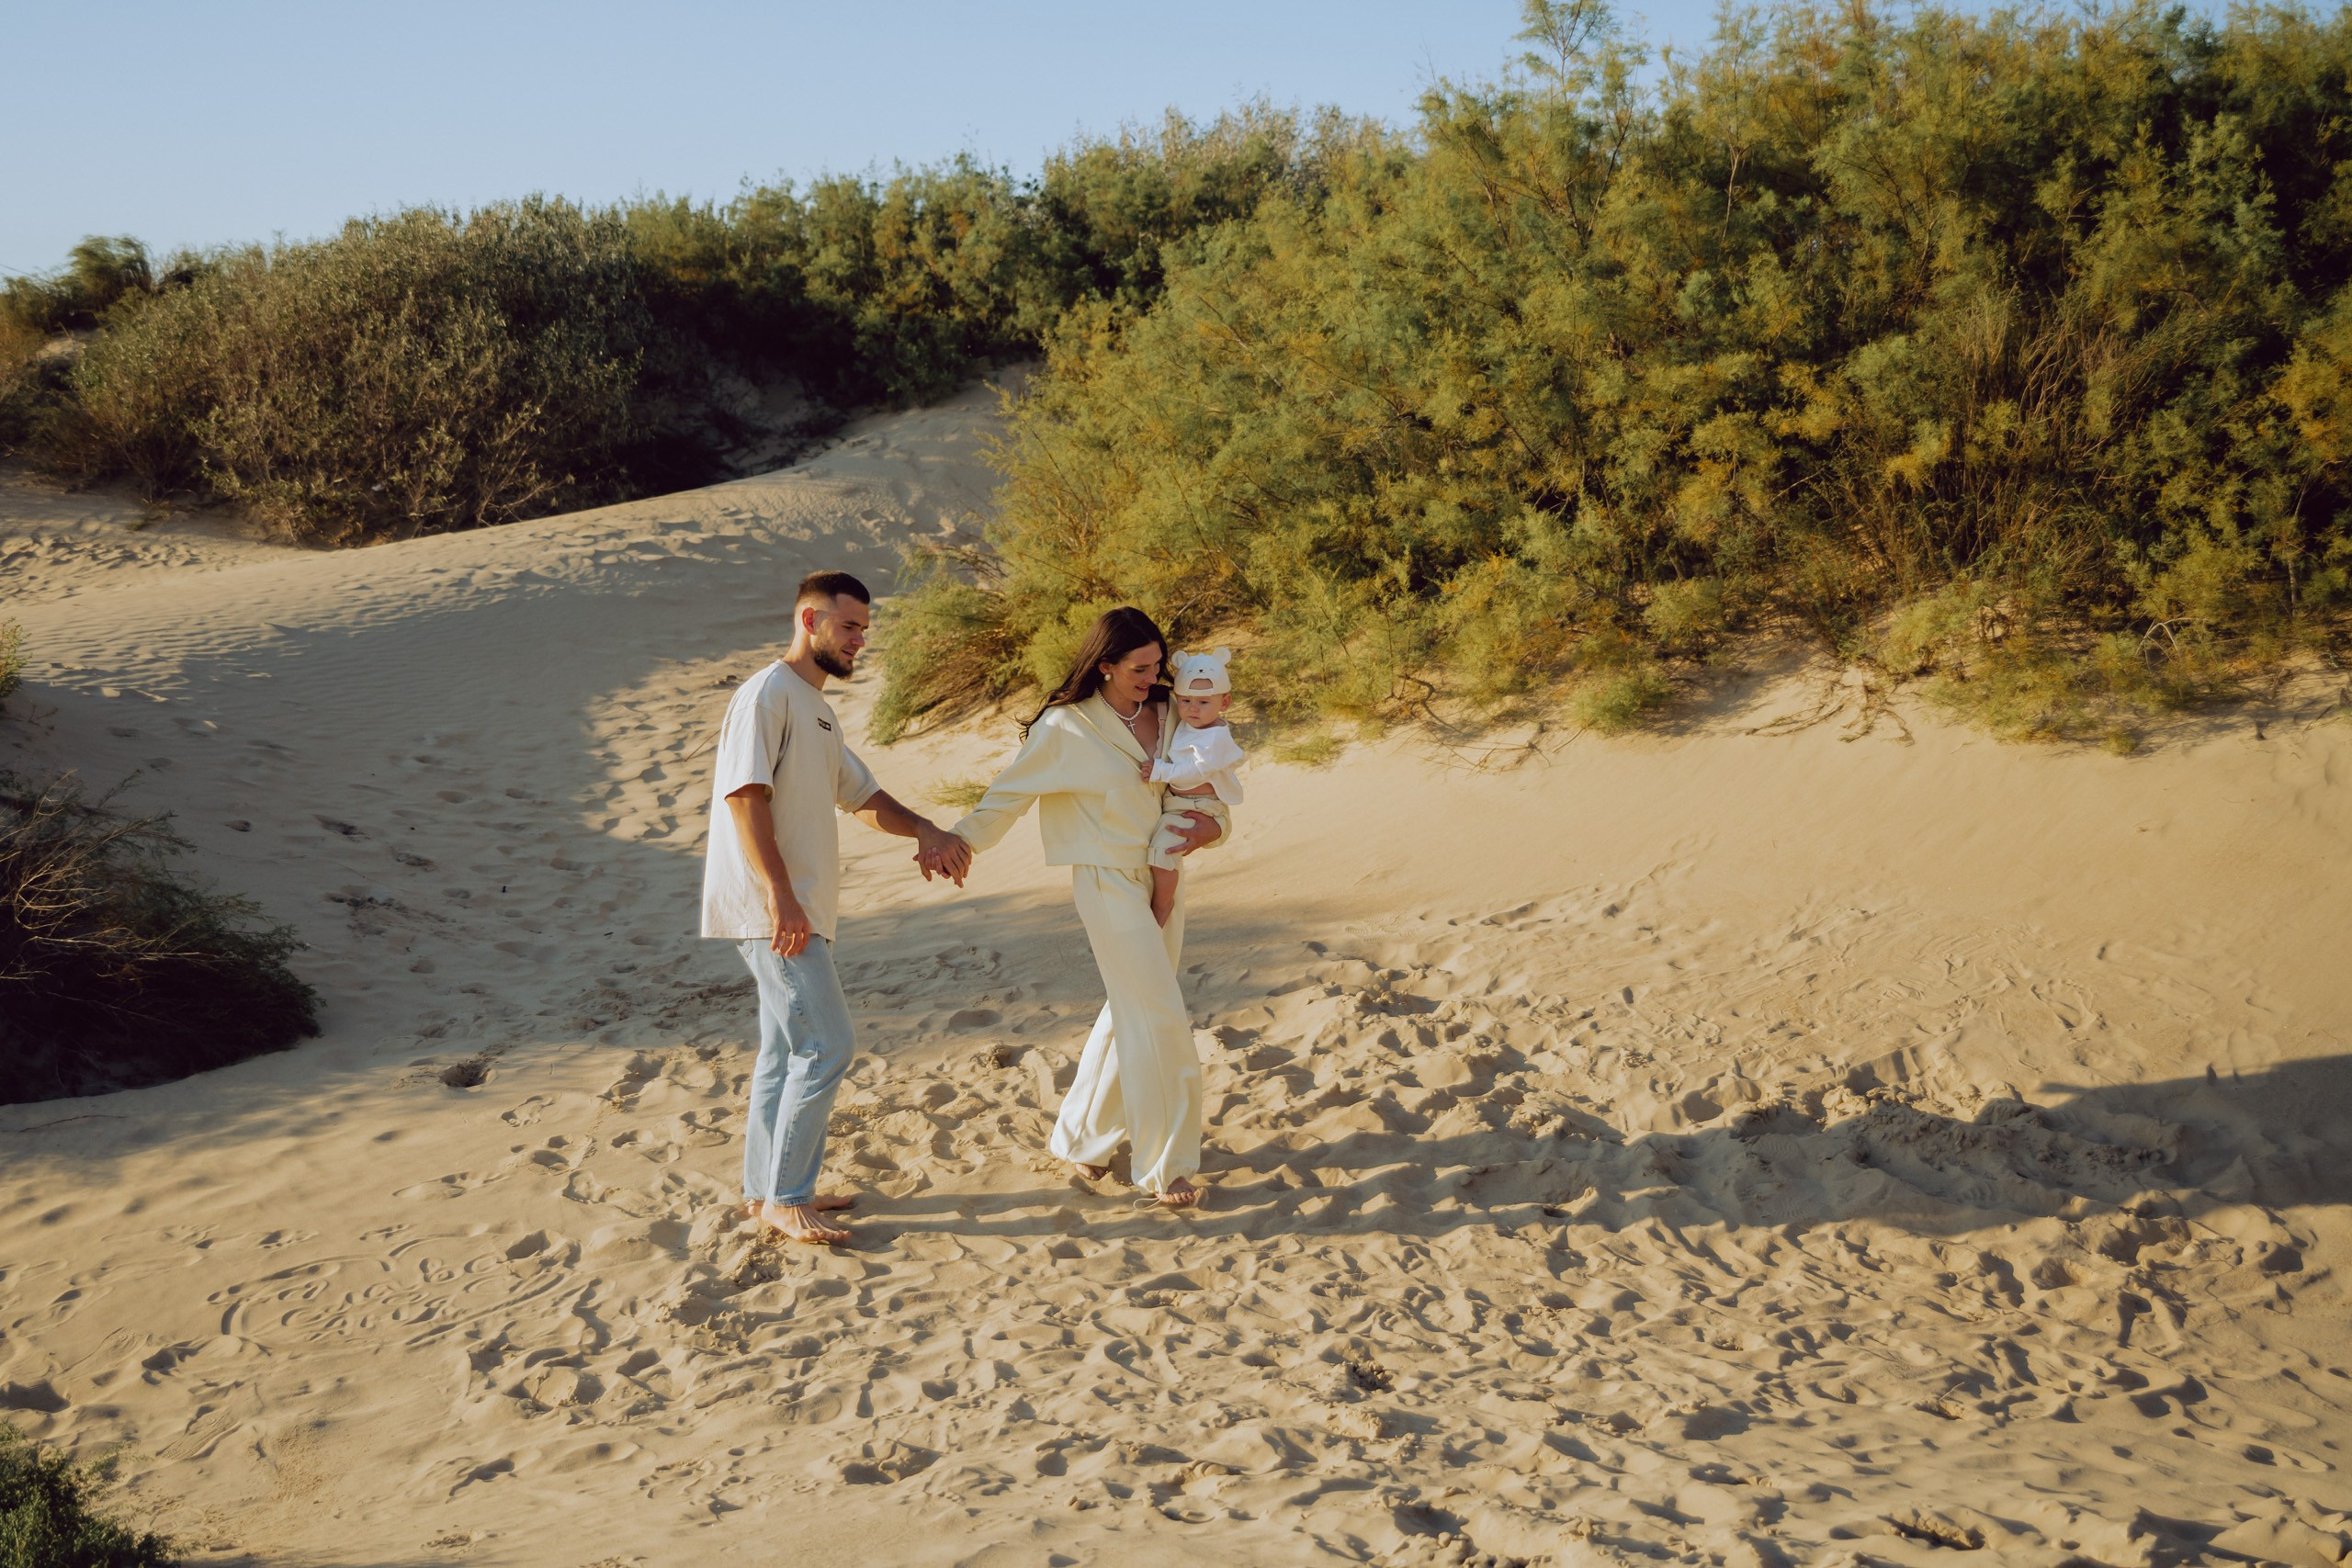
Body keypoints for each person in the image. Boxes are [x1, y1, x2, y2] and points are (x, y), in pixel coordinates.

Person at [701, 570, 971, 1245]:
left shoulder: (815, 707)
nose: (859, 641)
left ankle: (764, 1190)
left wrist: (926, 830)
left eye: (864, 630)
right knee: (828, 1045)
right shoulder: (767, 694)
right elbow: (744, 797)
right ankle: (787, 1197)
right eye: (848, 626)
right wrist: (780, 895)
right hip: (775, 908)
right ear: (808, 619)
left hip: (800, 907)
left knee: (782, 1051)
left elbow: (863, 796)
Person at [928, 607, 1223, 1208]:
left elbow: (1205, 784)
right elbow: (1007, 795)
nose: (1153, 677)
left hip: (1165, 872)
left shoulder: (1172, 712)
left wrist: (1208, 830)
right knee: (1160, 1014)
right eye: (1140, 668)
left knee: (1133, 1006)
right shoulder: (1066, 726)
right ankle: (1166, 1166)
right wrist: (959, 843)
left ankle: (1083, 1138)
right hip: (1106, 880)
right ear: (1105, 664)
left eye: (1159, 665)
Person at [1142, 647, 1244, 928]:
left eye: (1203, 702)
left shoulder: (1215, 737)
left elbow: (1195, 772)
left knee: (1162, 853)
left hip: (1198, 806)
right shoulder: (1192, 723)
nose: (1192, 709)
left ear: (1225, 702)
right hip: (1176, 802)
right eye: (1185, 700)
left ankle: (1163, 903)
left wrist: (1160, 771)